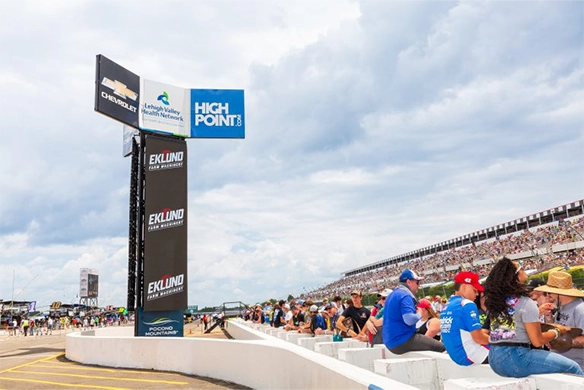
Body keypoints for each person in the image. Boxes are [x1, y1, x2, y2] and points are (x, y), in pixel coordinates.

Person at [483, 257, 583, 377]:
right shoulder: (525, 302)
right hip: (516, 357)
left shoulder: (503, 301)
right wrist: (557, 331)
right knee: (573, 367)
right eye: (520, 268)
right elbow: (537, 341)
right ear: (515, 276)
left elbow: (509, 331)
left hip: (495, 357)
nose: (524, 270)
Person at [382, 269, 445, 354]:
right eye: (417, 283)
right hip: (402, 339)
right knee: (442, 347)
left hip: (390, 342)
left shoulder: (392, 295)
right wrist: (419, 314)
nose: (418, 286)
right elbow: (409, 320)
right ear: (408, 282)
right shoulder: (405, 295)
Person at [534, 271, 584, 369]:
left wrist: (557, 341)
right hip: (562, 365)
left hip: (577, 368)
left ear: (559, 292)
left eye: (549, 293)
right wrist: (548, 317)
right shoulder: (561, 307)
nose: (548, 296)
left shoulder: (580, 309)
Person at [440, 271, 490, 366]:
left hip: (456, 356)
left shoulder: (447, 305)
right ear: (464, 287)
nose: (477, 295)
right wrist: (498, 339)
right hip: (472, 356)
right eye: (474, 290)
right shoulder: (467, 304)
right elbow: (479, 338)